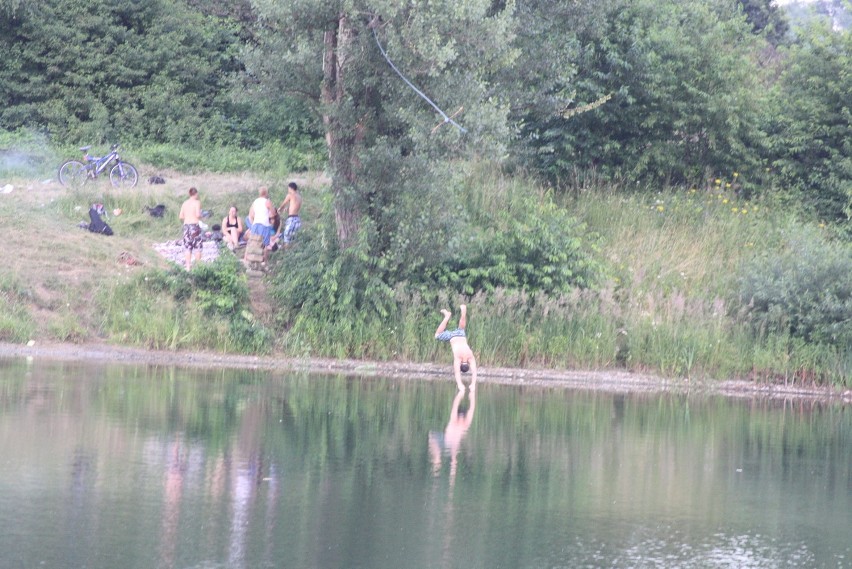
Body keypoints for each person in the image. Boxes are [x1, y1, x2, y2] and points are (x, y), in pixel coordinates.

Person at [435, 304, 478, 391]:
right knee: (437, 335)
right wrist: (460, 385)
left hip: (461, 335)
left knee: (461, 328)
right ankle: (447, 317)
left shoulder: (470, 356)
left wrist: (473, 384)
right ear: (461, 364)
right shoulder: (458, 358)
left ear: (467, 364)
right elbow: (457, 372)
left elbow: (474, 372)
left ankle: (463, 314)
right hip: (452, 337)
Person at [244, 186, 275, 264]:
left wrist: (254, 221)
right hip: (264, 224)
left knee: (252, 241)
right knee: (265, 244)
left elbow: (251, 214)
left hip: (255, 224)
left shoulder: (255, 201)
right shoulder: (267, 202)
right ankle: (264, 261)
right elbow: (273, 213)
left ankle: (247, 258)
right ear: (266, 193)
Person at [178, 187, 203, 270]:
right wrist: (202, 215)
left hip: (186, 226)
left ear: (189, 194)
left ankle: (188, 266)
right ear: (196, 194)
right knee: (197, 246)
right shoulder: (197, 202)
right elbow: (198, 215)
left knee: (187, 247)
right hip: (194, 226)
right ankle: (198, 267)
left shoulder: (184, 203)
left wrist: (188, 216)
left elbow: (181, 216)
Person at [276, 181, 303, 247]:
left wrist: (279, 209)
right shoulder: (299, 197)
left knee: (286, 236)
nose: (288, 190)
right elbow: (295, 207)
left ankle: (286, 251)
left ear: (291, 188)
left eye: (288, 188)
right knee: (294, 237)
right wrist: (288, 209)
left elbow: (284, 204)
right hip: (297, 219)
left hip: (292, 219)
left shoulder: (290, 195)